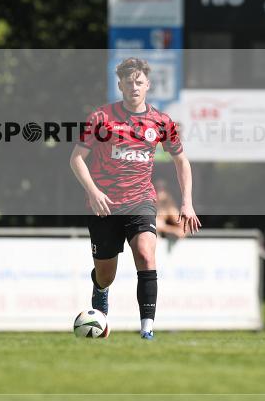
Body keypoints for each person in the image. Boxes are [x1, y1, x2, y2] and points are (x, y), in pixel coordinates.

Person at [70, 57, 201, 340]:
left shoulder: (161, 121)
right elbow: (77, 159)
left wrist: (186, 202)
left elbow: (182, 161)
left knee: (145, 254)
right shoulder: (101, 118)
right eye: (129, 82)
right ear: (120, 85)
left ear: (148, 85)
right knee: (106, 275)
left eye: (139, 82)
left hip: (141, 200)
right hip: (104, 205)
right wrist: (93, 192)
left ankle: (147, 329)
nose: (134, 87)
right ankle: (101, 291)